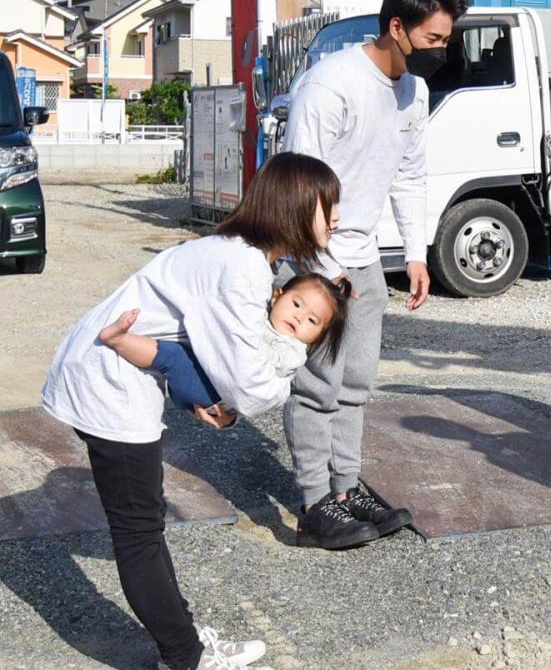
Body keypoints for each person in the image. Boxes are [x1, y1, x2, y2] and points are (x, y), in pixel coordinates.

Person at [41, 152, 343, 670]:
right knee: (138, 532)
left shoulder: (243, 254)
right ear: (295, 205)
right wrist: (242, 396)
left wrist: (206, 396)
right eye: (328, 207)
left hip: (115, 370)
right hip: (108, 379)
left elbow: (203, 354)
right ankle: (184, 656)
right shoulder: (242, 268)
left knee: (144, 524)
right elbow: (249, 386)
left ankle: (183, 645)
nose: (336, 218)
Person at [281, 0, 468, 550]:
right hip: (315, 258)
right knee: (317, 384)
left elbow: (409, 177)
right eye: (435, 39)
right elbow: (298, 182)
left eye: (447, 39)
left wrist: (416, 253)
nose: (444, 50)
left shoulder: (415, 92)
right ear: (396, 27)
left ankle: (346, 487)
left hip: (363, 259)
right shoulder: (331, 84)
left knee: (357, 383)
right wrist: (321, 266)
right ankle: (314, 502)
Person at [97, 272, 351, 421]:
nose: (299, 317)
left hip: (214, 394)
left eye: (312, 320)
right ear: (277, 296)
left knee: (173, 356)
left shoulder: (293, 352)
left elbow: (253, 358)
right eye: (297, 304)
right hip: (209, 377)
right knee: (177, 346)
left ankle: (119, 339)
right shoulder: (259, 313)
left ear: (316, 338)